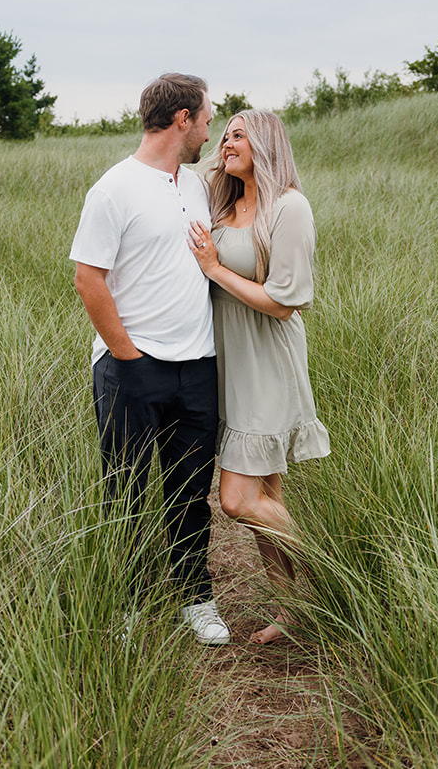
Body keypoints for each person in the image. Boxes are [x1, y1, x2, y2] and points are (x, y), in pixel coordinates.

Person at [70, 72, 231, 646]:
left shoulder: (195, 185)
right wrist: (128, 358)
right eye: (207, 118)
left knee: (191, 486)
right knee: (129, 490)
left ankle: (195, 595)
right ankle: (131, 604)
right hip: (131, 365)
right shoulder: (113, 189)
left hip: (198, 366)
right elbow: (89, 279)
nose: (211, 129)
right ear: (182, 118)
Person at [187, 109, 329, 645]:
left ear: (266, 143)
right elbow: (176, 171)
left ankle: (330, 577)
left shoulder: (288, 207)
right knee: (266, 495)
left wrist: (215, 269)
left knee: (238, 499)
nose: (226, 143)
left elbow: (285, 303)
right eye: (222, 135)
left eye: (238, 136)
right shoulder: (224, 203)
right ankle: (291, 611)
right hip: (229, 363)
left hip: (267, 362)